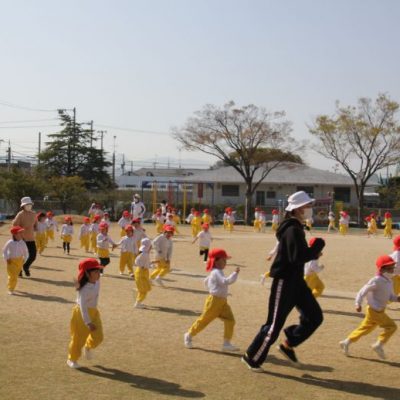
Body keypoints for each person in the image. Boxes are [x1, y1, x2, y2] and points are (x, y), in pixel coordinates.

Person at [242, 191, 325, 372]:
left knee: (314, 316)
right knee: (273, 325)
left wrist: (312, 251)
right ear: (298, 209)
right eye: (308, 206)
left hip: (297, 281)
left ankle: (288, 343)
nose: (310, 209)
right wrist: (317, 246)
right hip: (285, 281)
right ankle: (252, 358)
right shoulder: (292, 230)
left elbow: (298, 255)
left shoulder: (295, 228)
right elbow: (299, 256)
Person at [339, 255, 399, 359]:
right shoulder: (376, 280)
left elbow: (390, 296)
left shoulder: (389, 281)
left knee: (364, 329)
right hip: (374, 310)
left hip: (379, 310)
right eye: (389, 268)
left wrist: (397, 299)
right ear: (382, 269)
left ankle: (346, 342)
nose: (392, 270)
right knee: (392, 327)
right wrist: (358, 303)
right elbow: (362, 291)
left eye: (392, 268)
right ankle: (378, 345)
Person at [184, 248, 240, 352]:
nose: (225, 262)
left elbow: (207, 282)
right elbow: (225, 281)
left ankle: (226, 343)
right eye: (224, 260)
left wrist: (221, 292)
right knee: (204, 320)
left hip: (222, 301)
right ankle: (189, 335)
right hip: (214, 301)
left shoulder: (217, 272)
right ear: (217, 261)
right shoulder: (216, 272)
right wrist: (235, 274)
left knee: (230, 320)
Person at [67, 258, 105, 369]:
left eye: (99, 271)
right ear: (87, 274)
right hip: (81, 314)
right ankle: (72, 359)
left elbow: (79, 283)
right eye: (95, 271)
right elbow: (83, 306)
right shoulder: (84, 290)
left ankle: (88, 346)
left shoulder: (97, 281)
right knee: (78, 339)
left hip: (94, 312)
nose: (99, 274)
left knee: (99, 336)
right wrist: (88, 322)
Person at [12, 196, 37, 277]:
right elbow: (15, 225)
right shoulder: (20, 214)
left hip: (31, 238)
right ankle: (19, 269)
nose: (29, 206)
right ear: (23, 206)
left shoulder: (34, 214)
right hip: (22, 239)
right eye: (27, 205)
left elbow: (36, 224)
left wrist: (36, 228)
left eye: (30, 204)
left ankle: (26, 266)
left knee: (33, 255)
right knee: (21, 256)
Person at [2, 226, 28, 294]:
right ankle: (11, 289)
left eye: (22, 232)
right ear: (15, 234)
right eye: (20, 233)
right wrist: (7, 258)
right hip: (11, 261)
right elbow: (4, 251)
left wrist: (24, 259)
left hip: (19, 261)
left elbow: (25, 252)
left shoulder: (23, 242)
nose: (22, 234)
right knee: (12, 275)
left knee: (15, 275)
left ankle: (11, 285)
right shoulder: (10, 242)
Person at [134, 237, 153, 308]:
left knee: (144, 289)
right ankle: (137, 303)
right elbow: (136, 261)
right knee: (144, 290)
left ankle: (139, 302)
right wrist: (141, 266)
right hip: (141, 273)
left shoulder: (144, 253)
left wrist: (151, 263)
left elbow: (140, 262)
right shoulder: (145, 254)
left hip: (142, 272)